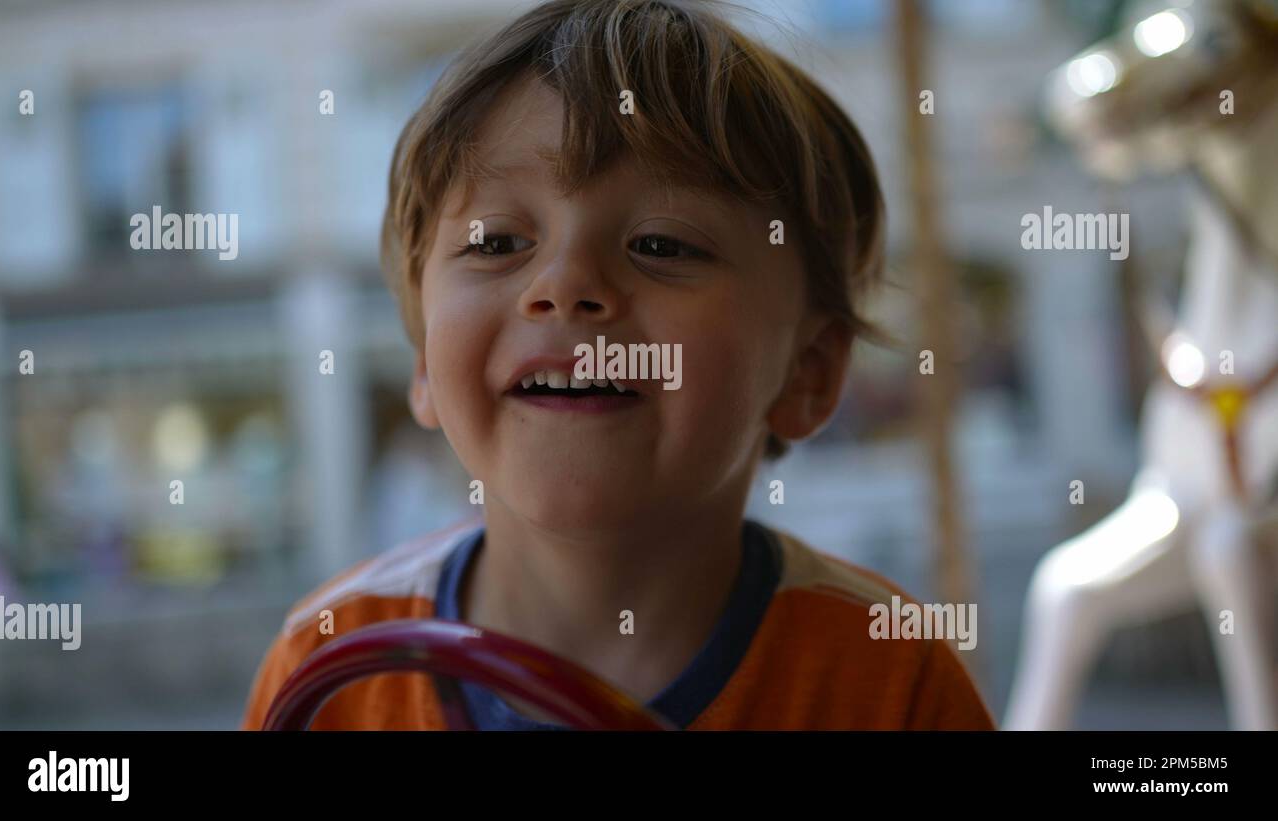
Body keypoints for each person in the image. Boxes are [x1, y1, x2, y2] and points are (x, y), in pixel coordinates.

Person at [242, 0, 993, 730]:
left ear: (809, 372)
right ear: (424, 364)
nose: (563, 284)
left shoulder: (889, 677)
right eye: (497, 242)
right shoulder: (329, 667)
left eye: (662, 245)